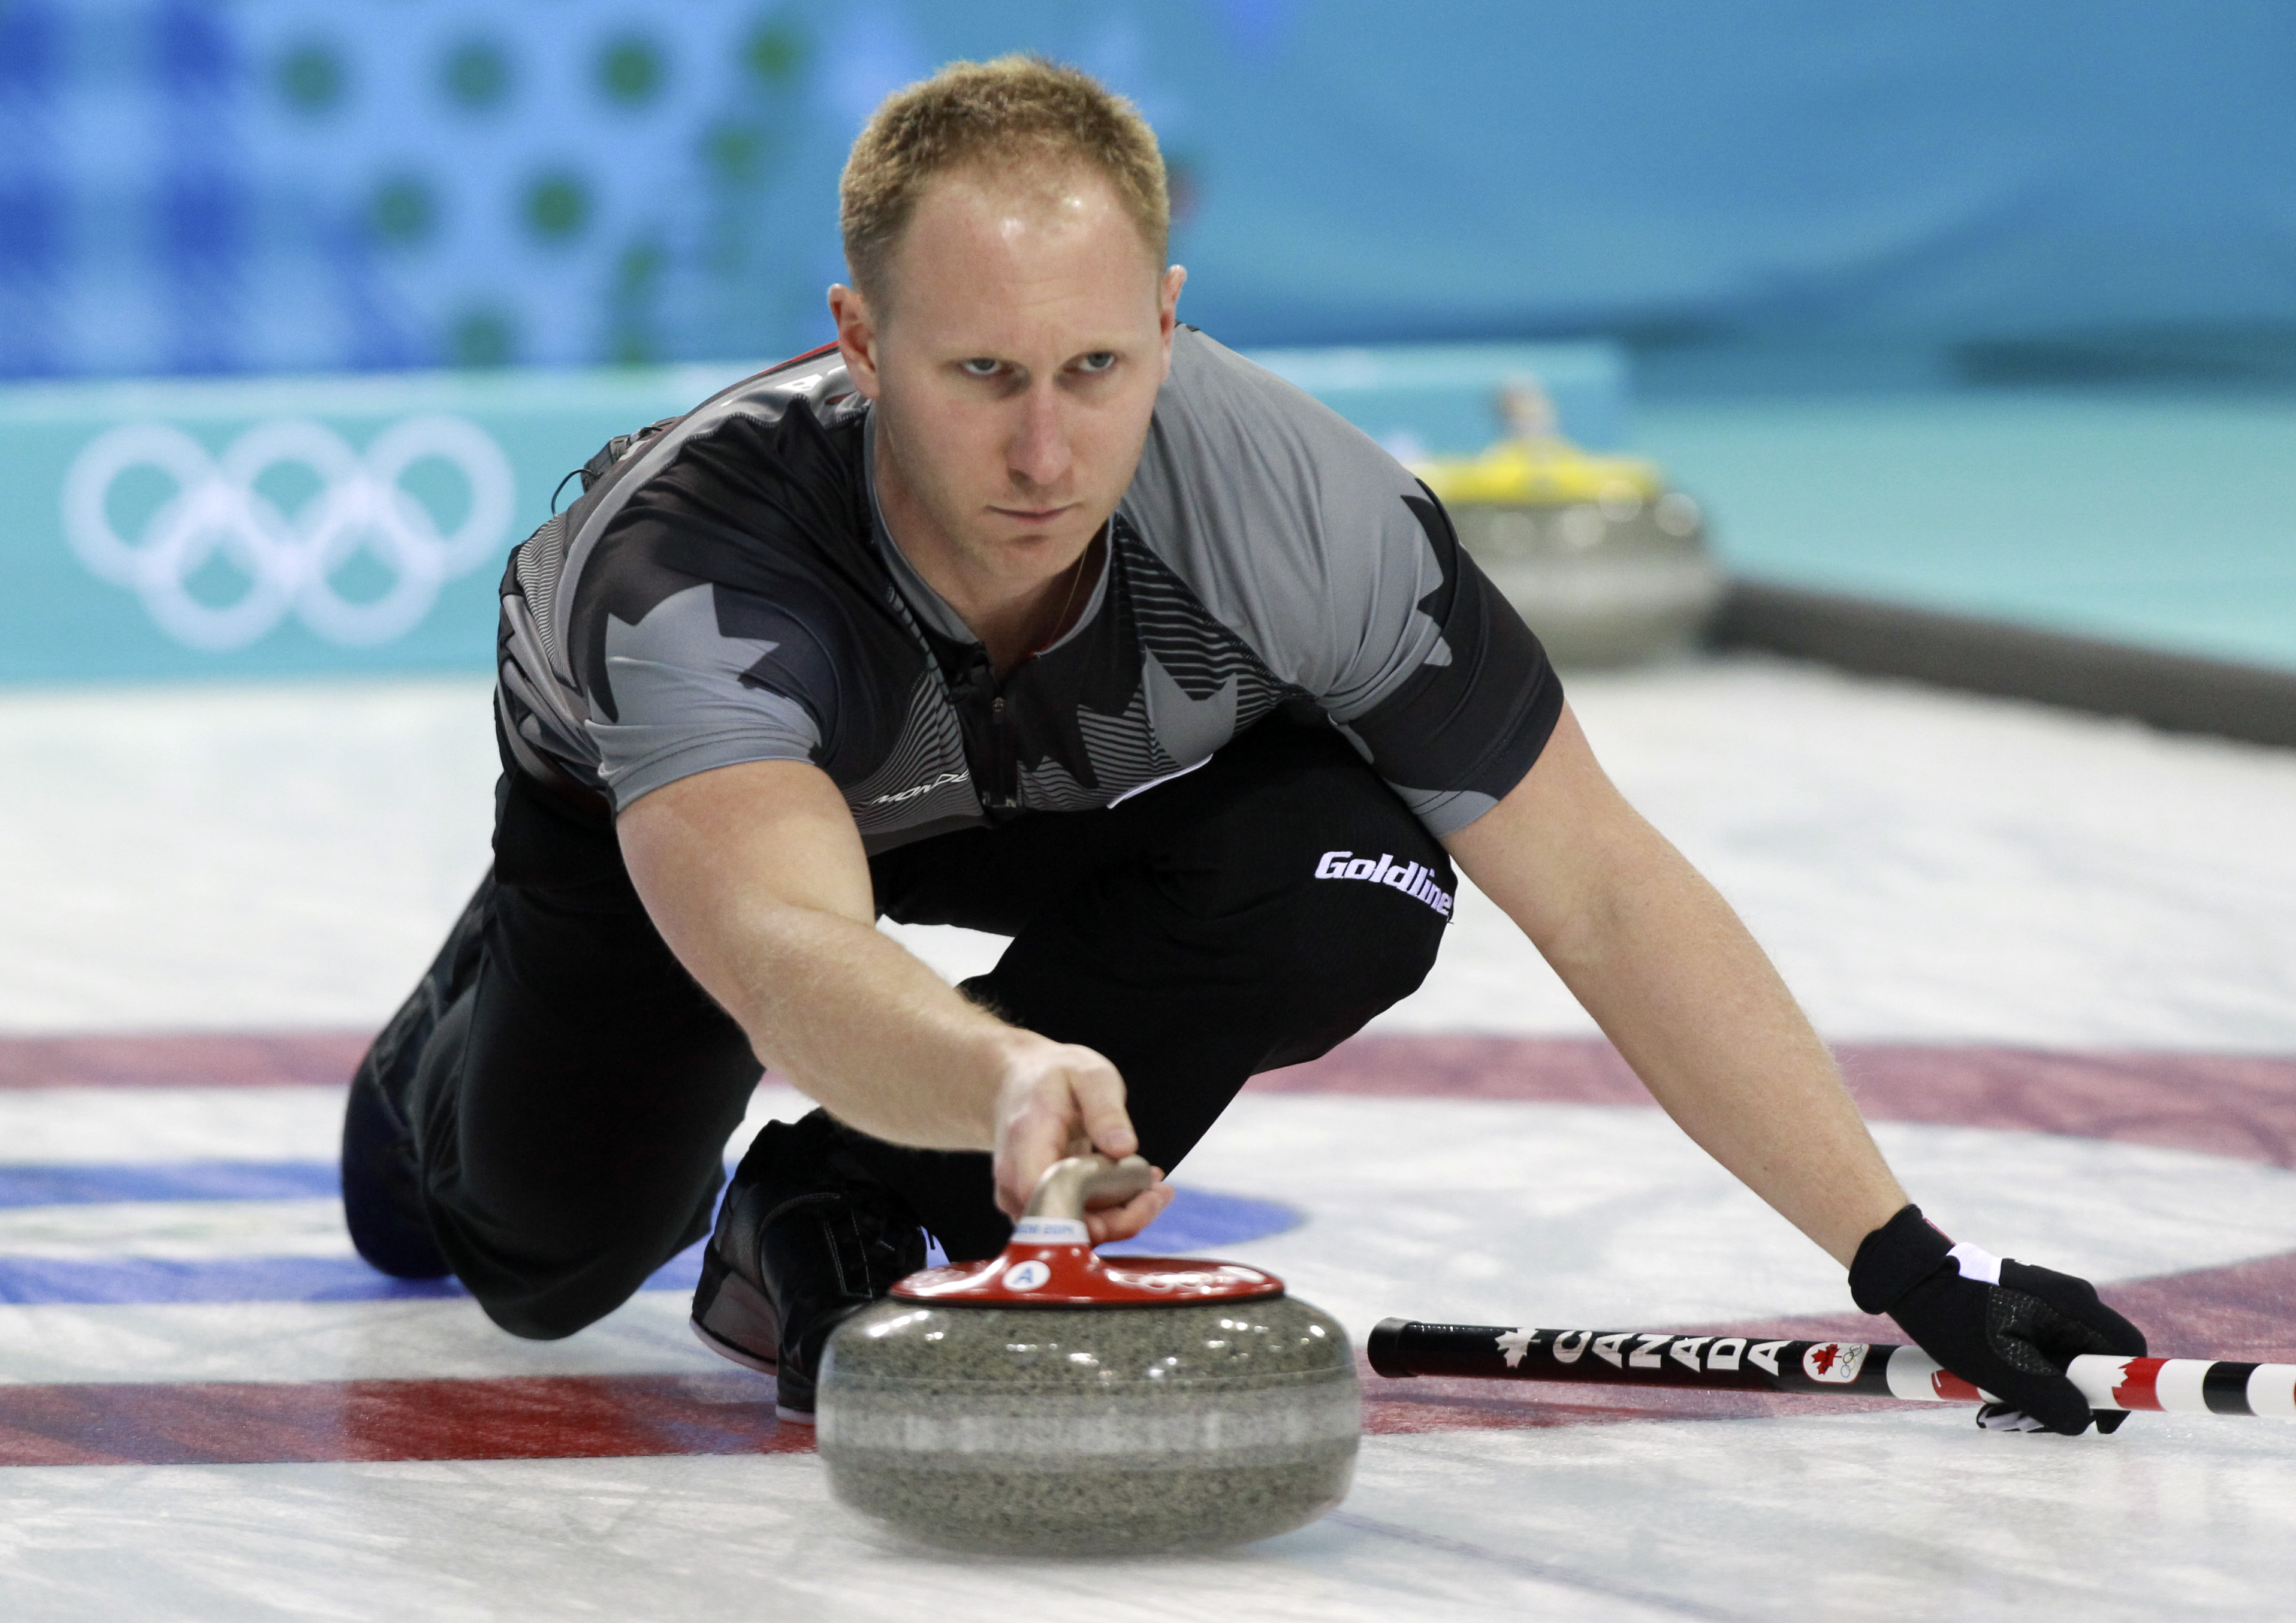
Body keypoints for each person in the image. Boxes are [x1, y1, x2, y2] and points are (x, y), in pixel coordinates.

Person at [341, 56, 2142, 1432]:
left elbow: (1598, 884)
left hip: (1062, 790)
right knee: (547, 1263)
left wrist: (1914, 1263)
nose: (1049, 455)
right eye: (982, 377)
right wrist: (1000, 1079)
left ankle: (838, 1211)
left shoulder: (1305, 505)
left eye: (1101, 370)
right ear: (861, 340)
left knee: (1352, 871)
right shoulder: (697, 577)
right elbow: (786, 944)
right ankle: (444, 1048)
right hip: (702, 834)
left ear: (1172, 322)